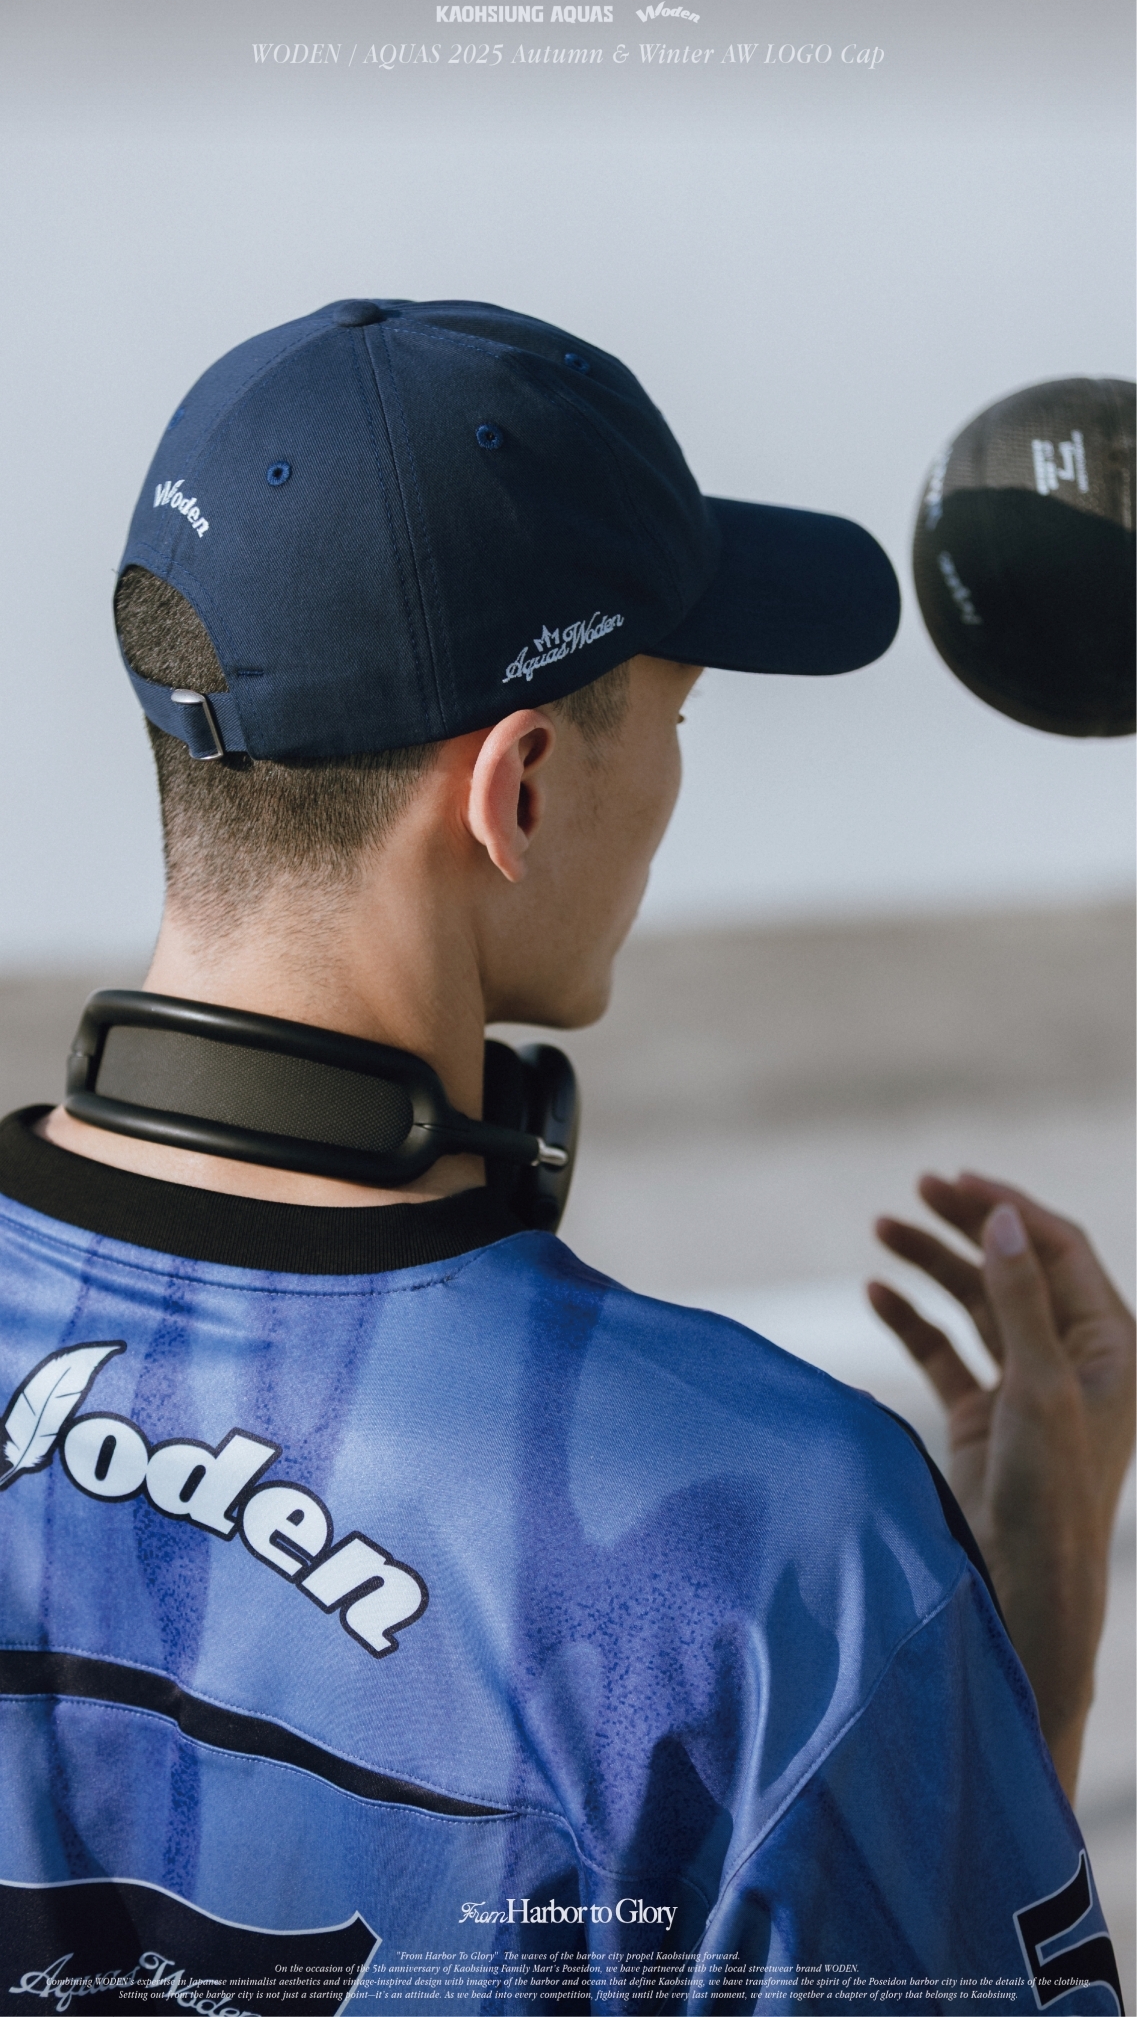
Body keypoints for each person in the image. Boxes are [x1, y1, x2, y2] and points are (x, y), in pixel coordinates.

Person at [0, 298, 1130, 2016]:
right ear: (516, 791)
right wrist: (962, 1677)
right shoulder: (783, 1555)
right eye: (677, 714)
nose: (674, 780)